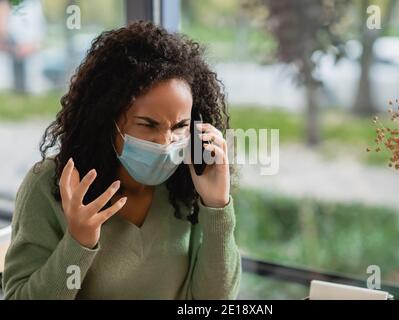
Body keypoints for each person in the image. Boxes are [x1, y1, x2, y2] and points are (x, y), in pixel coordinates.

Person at [2, 21, 241, 299]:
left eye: (179, 127)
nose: (165, 143)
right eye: (148, 125)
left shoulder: (189, 184)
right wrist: (78, 242)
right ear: (107, 119)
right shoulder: (49, 185)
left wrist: (216, 206)